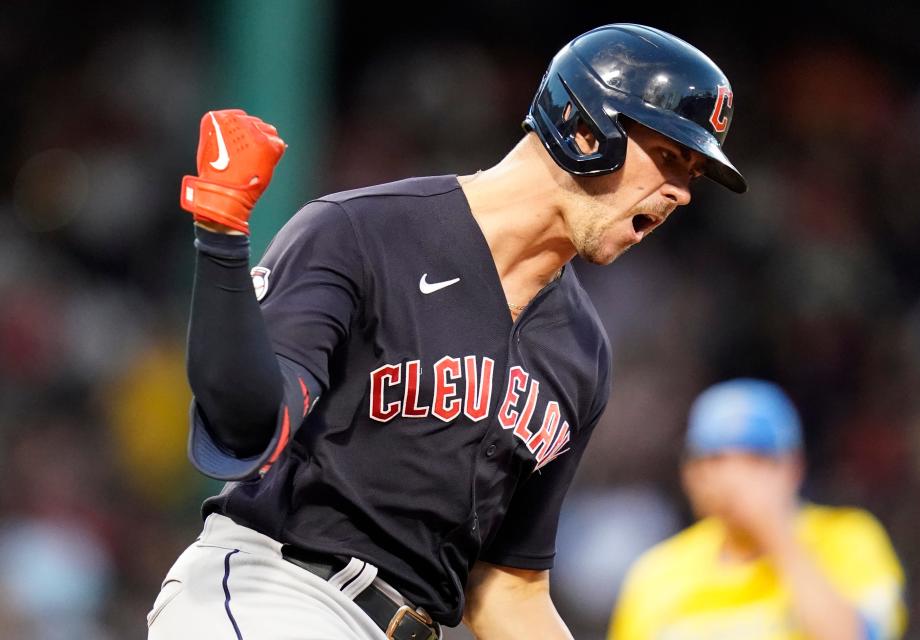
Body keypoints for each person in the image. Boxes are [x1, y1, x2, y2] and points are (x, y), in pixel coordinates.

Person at [148, 23, 747, 640]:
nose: (680, 192)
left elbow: (509, 588)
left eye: (692, 173)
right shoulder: (364, 232)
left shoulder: (580, 350)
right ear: (587, 129)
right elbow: (248, 424)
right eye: (670, 156)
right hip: (278, 591)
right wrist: (220, 239)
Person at [608, 379, 907, 640]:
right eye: (715, 458)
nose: (734, 477)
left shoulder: (848, 539)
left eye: (755, 458)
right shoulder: (656, 575)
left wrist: (776, 532)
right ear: (690, 474)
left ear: (793, 468)